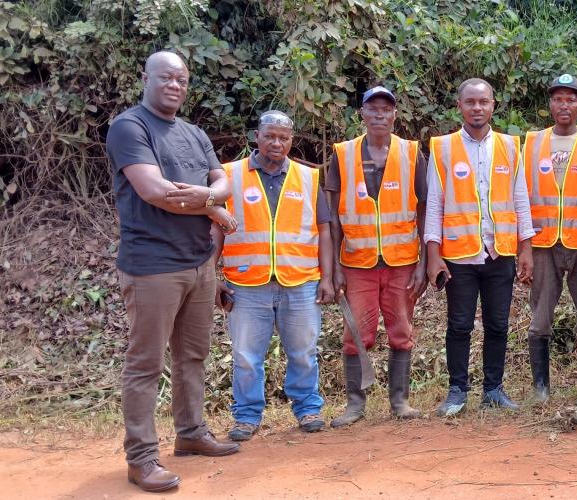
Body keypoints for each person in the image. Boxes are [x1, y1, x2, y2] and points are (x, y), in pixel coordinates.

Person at [106, 50, 239, 493]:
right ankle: (141, 458)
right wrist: (213, 206)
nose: (175, 86)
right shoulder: (130, 126)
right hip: (151, 267)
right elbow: (154, 191)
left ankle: (190, 433)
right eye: (166, 78)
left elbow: (224, 181)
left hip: (199, 263)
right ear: (145, 78)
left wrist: (211, 197)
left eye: (182, 79)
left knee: (193, 356)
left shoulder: (194, 132)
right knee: (146, 364)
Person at [213, 110, 335, 441]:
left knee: (303, 351)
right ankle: (247, 416)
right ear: (257, 137)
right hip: (246, 283)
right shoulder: (229, 175)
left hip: (300, 281)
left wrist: (327, 277)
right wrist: (213, 275)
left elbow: (323, 230)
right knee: (246, 356)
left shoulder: (308, 177)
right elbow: (216, 228)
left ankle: (308, 408)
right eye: (270, 136)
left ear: (291, 140)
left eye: (283, 137)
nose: (276, 142)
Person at [425, 78, 535, 416]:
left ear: (493, 105)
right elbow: (434, 204)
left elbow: (520, 199)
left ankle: (493, 389)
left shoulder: (510, 146)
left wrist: (525, 249)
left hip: (499, 252)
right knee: (459, 324)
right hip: (459, 255)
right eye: (470, 102)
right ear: (459, 106)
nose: (477, 108)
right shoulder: (442, 148)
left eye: (483, 102)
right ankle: (457, 391)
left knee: (498, 324)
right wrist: (433, 256)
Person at [325, 86, 429, 426]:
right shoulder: (342, 155)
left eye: (387, 109)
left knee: (401, 330)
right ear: (363, 114)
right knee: (357, 333)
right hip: (357, 263)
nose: (380, 114)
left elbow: (426, 210)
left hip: (402, 262)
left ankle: (400, 401)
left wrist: (425, 263)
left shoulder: (412, 153)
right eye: (373, 109)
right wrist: (335, 267)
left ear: (395, 115)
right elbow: (332, 214)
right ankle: (355, 405)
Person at [522, 74, 577, 402]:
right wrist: (524, 247)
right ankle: (541, 389)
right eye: (558, 98)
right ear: (550, 104)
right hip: (543, 242)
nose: (564, 105)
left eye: (571, 99)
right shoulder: (532, 142)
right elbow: (521, 196)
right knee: (540, 316)